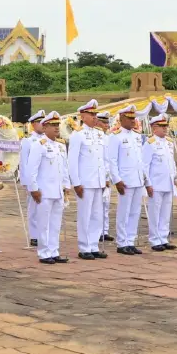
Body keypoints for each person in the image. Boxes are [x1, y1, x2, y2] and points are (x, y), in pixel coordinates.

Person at [25, 112, 71, 264]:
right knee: (43, 223)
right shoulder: (38, 145)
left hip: (57, 191)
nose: (57, 128)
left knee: (55, 223)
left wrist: (66, 187)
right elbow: (31, 169)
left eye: (57, 125)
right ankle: (44, 252)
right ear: (44, 127)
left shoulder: (60, 146)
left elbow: (64, 168)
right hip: (44, 191)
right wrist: (33, 189)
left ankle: (54, 250)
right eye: (53, 125)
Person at [68, 99, 108, 260]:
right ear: (83, 116)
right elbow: (72, 161)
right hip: (85, 182)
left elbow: (104, 159)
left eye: (95, 114)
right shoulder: (78, 135)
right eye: (91, 114)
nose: (94, 117)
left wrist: (105, 178)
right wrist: (76, 183)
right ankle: (84, 247)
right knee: (85, 215)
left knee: (97, 215)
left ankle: (93, 245)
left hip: (98, 181)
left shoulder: (100, 134)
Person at [107, 105, 149, 255]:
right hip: (125, 180)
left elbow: (141, 160)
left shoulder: (137, 136)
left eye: (134, 118)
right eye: (130, 118)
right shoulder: (115, 136)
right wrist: (117, 180)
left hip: (137, 179)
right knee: (123, 212)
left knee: (135, 212)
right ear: (122, 118)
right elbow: (111, 160)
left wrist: (145, 179)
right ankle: (121, 242)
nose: (133, 121)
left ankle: (130, 241)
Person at [142, 114, 177, 251]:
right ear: (154, 128)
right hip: (156, 184)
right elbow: (145, 165)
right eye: (162, 126)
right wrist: (148, 184)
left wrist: (174, 178)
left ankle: (163, 238)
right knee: (155, 213)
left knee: (165, 213)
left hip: (168, 183)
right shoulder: (150, 143)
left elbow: (171, 162)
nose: (165, 129)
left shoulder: (169, 142)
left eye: (166, 126)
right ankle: (155, 240)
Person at [19, 110, 45, 248]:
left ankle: (43, 233)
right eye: (40, 123)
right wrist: (26, 181)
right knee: (34, 208)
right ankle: (34, 235)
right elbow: (23, 162)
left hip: (45, 179)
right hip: (33, 179)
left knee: (45, 208)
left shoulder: (47, 141)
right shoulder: (28, 141)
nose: (43, 125)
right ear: (33, 124)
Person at [96, 111, 114, 243]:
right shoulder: (96, 137)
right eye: (104, 122)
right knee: (97, 206)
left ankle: (104, 230)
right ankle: (97, 231)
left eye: (107, 122)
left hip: (108, 176)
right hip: (97, 176)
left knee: (106, 204)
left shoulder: (109, 138)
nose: (106, 125)